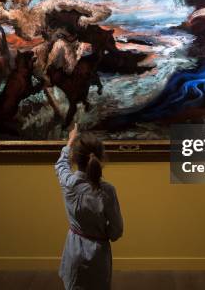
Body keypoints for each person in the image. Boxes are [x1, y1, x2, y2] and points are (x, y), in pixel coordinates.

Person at [55, 124, 123, 290]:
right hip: (98, 251)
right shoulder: (107, 190)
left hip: (73, 247)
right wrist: (104, 234)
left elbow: (60, 165)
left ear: (75, 159)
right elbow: (117, 229)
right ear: (101, 158)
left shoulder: (69, 183)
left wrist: (70, 141)